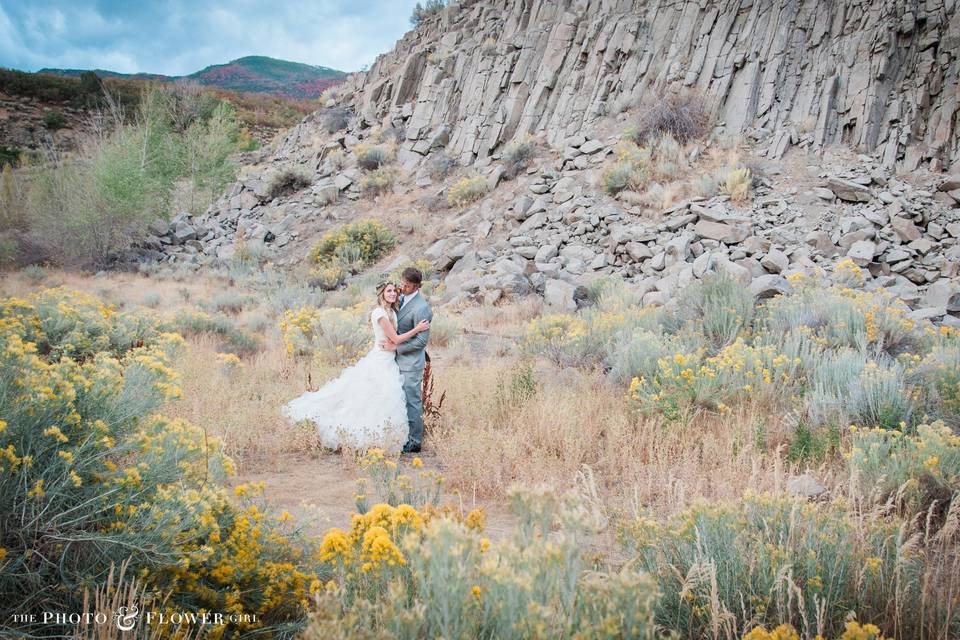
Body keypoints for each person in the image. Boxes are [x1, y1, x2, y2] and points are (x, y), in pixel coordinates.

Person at [281, 281, 430, 453]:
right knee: (370, 397)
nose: (392, 294)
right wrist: (417, 328)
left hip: (390, 359)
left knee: (380, 399)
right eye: (388, 291)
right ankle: (359, 434)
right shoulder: (379, 313)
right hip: (381, 359)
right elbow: (395, 339)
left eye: (394, 291)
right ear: (381, 293)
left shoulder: (391, 310)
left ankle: (382, 435)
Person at [379, 267, 432, 454]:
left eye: (407, 286)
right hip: (394, 361)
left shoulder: (422, 307)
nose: (402, 288)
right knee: (398, 400)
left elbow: (421, 341)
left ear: (417, 286)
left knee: (412, 401)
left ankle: (415, 441)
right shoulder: (399, 298)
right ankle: (401, 435)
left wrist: (397, 347)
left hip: (410, 363)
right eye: (401, 283)